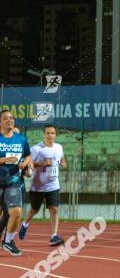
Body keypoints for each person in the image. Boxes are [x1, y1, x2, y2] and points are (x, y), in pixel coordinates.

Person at [19, 124, 67, 246]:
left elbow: (61, 158)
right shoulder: (36, 149)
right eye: (48, 133)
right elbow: (28, 164)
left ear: (56, 135)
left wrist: (62, 163)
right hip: (38, 187)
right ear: (43, 134)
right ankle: (25, 224)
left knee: (54, 209)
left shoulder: (59, 147)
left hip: (53, 185)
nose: (50, 135)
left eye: (52, 133)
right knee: (34, 210)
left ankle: (54, 236)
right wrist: (41, 163)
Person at [0, 110, 32, 256]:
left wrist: (23, 164)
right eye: (6, 118)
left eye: (11, 118)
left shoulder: (21, 139)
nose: (10, 120)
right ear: (0, 122)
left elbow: (28, 155)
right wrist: (5, 160)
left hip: (13, 181)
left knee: (16, 212)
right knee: (4, 214)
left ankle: (8, 241)